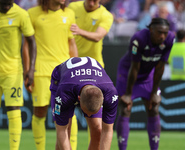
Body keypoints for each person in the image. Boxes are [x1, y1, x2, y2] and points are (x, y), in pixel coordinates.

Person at [22, 0, 78, 149]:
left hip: (64, 72)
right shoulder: (33, 13)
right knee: (40, 112)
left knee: (69, 113)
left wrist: (76, 70)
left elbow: (71, 44)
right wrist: (27, 70)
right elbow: (27, 44)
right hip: (41, 71)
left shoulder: (69, 14)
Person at [115, 18, 175, 150]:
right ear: (151, 30)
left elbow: (160, 67)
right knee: (125, 108)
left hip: (148, 75)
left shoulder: (170, 39)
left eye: (165, 33)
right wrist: (128, 94)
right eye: (159, 32)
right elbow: (134, 67)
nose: (162, 36)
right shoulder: (138, 39)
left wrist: (154, 93)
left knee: (153, 107)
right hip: (128, 74)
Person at [0, 0, 36, 150]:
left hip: (12, 71)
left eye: (10, 4)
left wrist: (31, 69)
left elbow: (31, 41)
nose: (7, 7)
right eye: (4, 4)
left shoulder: (21, 14)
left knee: (14, 108)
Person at [50, 56, 118, 150]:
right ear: (78, 99)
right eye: (86, 111)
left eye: (91, 113)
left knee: (98, 129)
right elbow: (61, 131)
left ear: (102, 99)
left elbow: (107, 130)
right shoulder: (63, 93)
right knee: (66, 129)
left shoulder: (110, 93)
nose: (89, 115)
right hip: (61, 81)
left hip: (82, 82)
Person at [68, 0, 113, 68]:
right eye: (89, 0)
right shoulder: (73, 7)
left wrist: (79, 31)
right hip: (72, 61)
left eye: (94, 1)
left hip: (93, 64)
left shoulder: (106, 15)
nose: (91, 3)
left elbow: (98, 36)